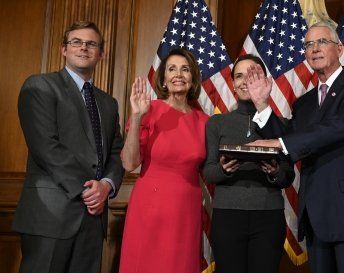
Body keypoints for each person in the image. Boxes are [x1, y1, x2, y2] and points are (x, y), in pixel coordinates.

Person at [246, 21, 344, 273]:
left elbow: (339, 127)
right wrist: (261, 105)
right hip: (316, 215)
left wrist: (281, 142)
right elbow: (291, 140)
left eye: (322, 42)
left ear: (340, 49)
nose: (314, 48)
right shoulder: (304, 103)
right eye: (309, 44)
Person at [13, 21, 124, 273]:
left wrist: (106, 185)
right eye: (76, 42)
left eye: (91, 44)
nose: (83, 48)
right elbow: (46, 147)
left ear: (101, 54)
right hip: (50, 214)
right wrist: (88, 190)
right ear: (64, 50)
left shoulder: (108, 103)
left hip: (93, 218)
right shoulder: (40, 86)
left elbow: (115, 153)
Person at [119, 48, 209, 273]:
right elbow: (129, 164)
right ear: (163, 79)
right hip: (150, 206)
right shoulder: (149, 110)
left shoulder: (205, 121)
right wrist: (138, 117)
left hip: (186, 210)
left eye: (185, 69)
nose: (178, 74)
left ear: (193, 78)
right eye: (172, 69)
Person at [203, 54, 295, 273]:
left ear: (264, 80)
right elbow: (209, 172)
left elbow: (288, 176)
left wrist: (274, 172)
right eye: (239, 76)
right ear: (233, 84)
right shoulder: (217, 123)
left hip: (268, 217)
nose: (245, 81)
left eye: (252, 75)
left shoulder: (281, 123)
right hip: (227, 216)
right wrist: (223, 170)